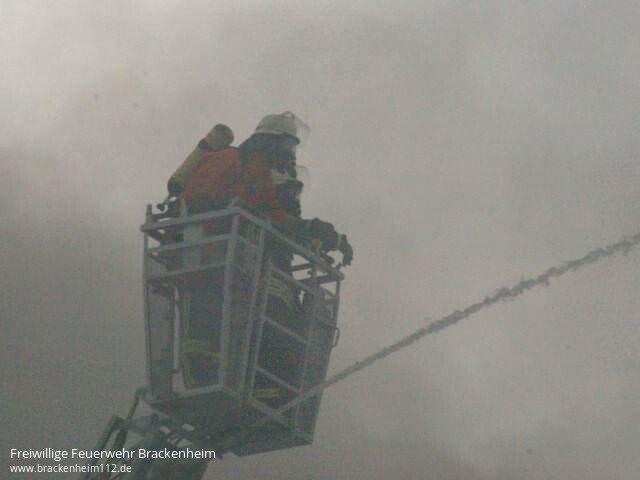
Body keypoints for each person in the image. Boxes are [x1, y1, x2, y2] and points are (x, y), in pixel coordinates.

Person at [167, 123, 234, 197]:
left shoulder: (203, 148)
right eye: (210, 136)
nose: (208, 138)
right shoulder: (207, 152)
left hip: (179, 183)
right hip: (183, 186)